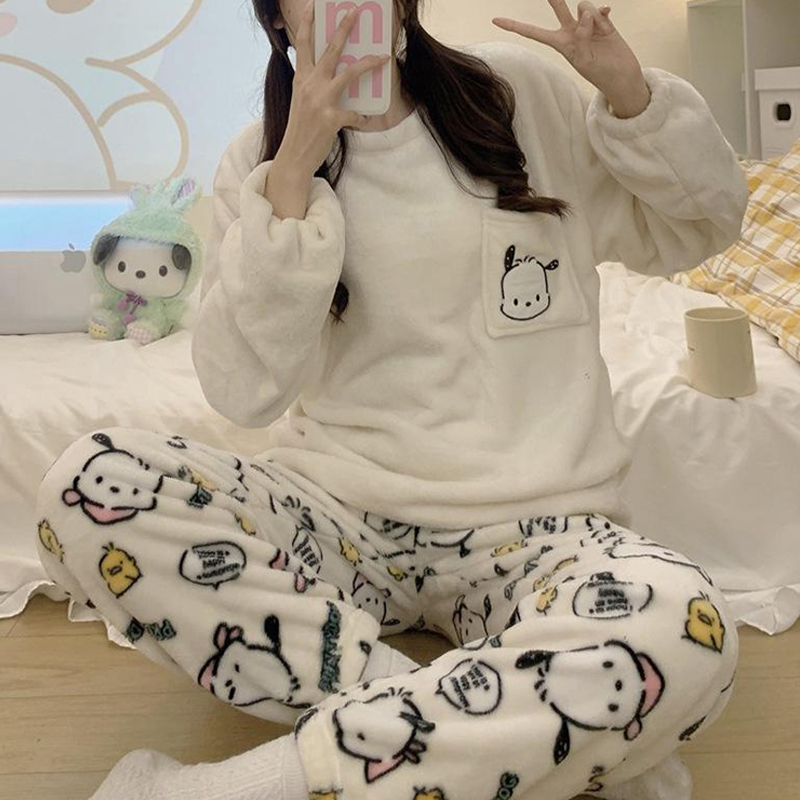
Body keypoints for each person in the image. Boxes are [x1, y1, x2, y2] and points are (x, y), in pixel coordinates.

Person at [34, 1, 748, 799]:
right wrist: (293, 176)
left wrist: (630, 97)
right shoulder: (259, 162)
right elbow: (243, 393)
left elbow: (700, 227)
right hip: (341, 523)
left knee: (687, 622)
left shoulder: (516, 96)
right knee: (87, 482)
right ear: (279, 21)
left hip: (538, 529)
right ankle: (533, 737)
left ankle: (246, 786)